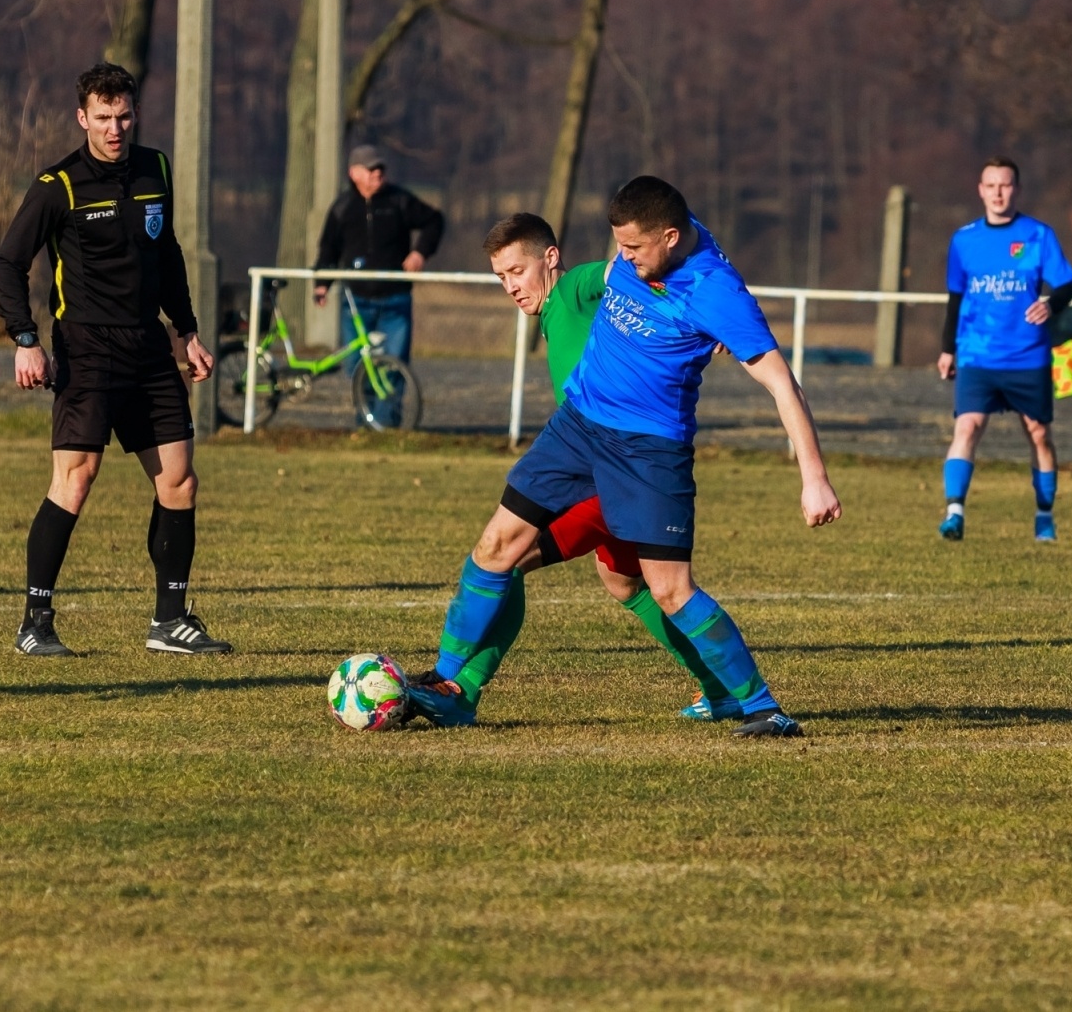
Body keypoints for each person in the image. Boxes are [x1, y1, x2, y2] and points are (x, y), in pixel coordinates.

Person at [407, 177, 842, 738]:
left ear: (669, 236)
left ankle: (761, 706)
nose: (624, 259)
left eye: (635, 249)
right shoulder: (637, 254)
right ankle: (448, 686)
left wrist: (815, 479)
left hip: (648, 449)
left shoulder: (716, 293)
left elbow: (784, 386)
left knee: (668, 589)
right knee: (495, 547)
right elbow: (613, 269)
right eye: (620, 246)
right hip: (577, 426)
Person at [404, 212, 739, 725]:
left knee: (508, 560)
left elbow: (637, 265)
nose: (511, 287)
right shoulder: (555, 313)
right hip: (606, 465)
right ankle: (720, 688)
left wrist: (717, 315)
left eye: (517, 271)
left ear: (551, 258)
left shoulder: (576, 287)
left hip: (613, 470)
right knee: (624, 581)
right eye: (501, 278)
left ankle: (459, 688)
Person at [0, 63, 230, 657]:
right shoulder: (59, 184)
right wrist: (26, 339)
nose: (115, 128)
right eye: (103, 118)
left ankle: (170, 621)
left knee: (179, 480)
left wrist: (186, 330)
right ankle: (35, 624)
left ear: (135, 113)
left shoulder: (156, 169)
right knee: (75, 482)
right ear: (83, 118)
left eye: (124, 116)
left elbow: (167, 252)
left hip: (149, 347)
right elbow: (8, 263)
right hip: (87, 348)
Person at [937, 156, 1072, 543]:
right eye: (991, 185)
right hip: (977, 354)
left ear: (1016, 189)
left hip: (1026, 355)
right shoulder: (964, 240)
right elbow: (954, 299)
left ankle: (1044, 514)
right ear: (981, 190)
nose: (999, 192)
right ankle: (954, 513)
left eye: (1005, 185)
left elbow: (1066, 285)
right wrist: (947, 349)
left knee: (1038, 434)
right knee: (967, 426)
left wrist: (1051, 303)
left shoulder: (1038, 235)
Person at [312, 144, 445, 428]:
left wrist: (420, 251)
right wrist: (321, 283)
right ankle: (367, 423)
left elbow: (434, 220)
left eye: (380, 169)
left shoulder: (399, 201)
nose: (377, 174)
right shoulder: (343, 207)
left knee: (393, 365)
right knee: (358, 367)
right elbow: (328, 248)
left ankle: (388, 427)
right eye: (371, 169)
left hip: (395, 299)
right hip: (356, 301)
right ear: (354, 173)